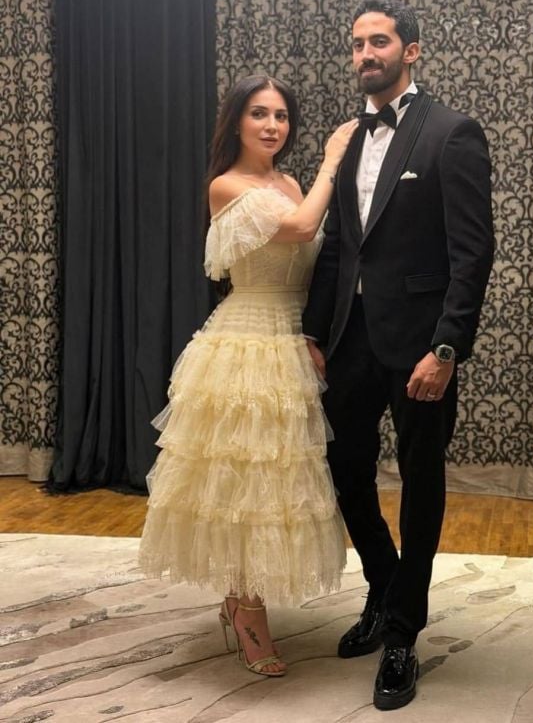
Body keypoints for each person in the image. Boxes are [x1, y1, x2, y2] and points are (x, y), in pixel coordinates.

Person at [303, 0, 494, 710]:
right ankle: (385, 587)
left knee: (421, 482)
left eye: (378, 42)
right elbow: (338, 248)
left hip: (419, 346)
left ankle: (404, 632)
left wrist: (446, 347)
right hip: (348, 341)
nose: (365, 54)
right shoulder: (347, 137)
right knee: (343, 469)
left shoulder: (451, 133)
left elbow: (472, 254)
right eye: (357, 43)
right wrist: (314, 332)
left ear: (410, 51)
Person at [139, 75, 358, 678]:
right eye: (259, 114)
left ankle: (241, 599)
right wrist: (334, 160)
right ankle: (246, 608)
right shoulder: (225, 185)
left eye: (281, 116)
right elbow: (303, 229)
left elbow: (317, 260)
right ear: (236, 121)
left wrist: (316, 334)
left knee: (281, 482)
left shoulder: (288, 183)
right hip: (246, 341)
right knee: (245, 481)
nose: (272, 126)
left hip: (293, 339)